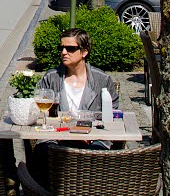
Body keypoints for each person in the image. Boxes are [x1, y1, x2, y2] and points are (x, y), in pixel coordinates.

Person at [29, 28, 120, 182]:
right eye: (61, 48)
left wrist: (91, 134)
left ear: (84, 52)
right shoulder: (51, 78)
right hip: (56, 137)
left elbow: (113, 115)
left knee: (96, 156)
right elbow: (37, 113)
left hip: (93, 139)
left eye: (70, 48)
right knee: (44, 152)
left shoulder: (102, 80)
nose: (64, 52)